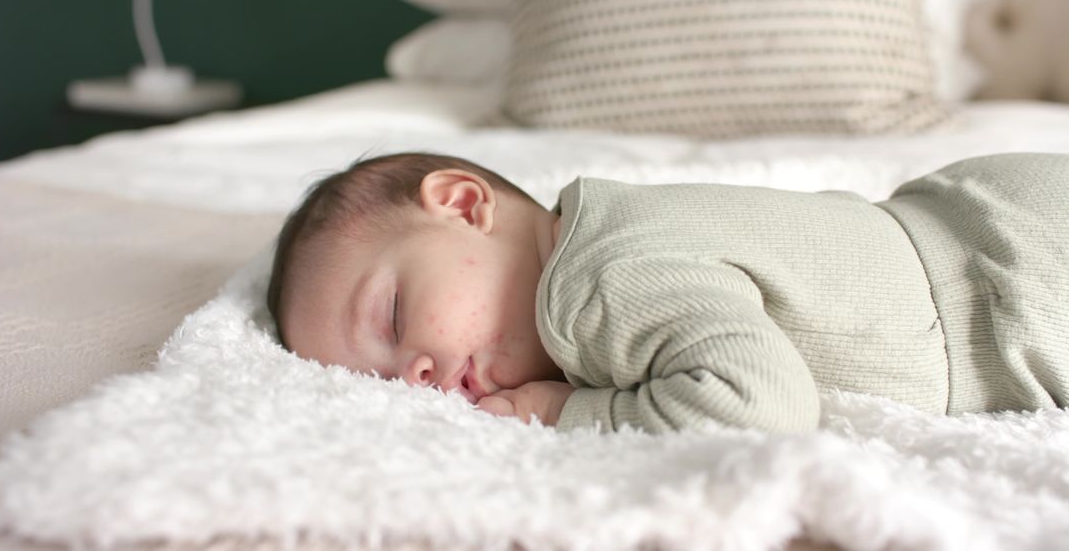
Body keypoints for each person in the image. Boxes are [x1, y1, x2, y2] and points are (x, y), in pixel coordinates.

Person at [266, 151, 1069, 434]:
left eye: (393, 317)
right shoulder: (609, 222)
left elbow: (760, 405)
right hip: (978, 214)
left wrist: (562, 413)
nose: (411, 376)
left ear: (465, 205)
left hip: (1016, 280)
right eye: (376, 379)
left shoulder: (596, 281)